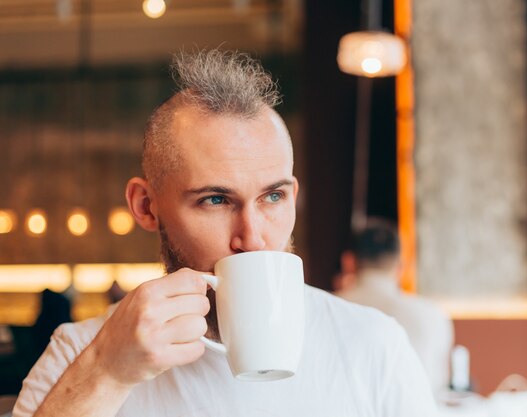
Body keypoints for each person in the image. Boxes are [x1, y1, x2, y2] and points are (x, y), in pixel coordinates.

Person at [13, 50, 437, 417]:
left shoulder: (373, 345)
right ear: (146, 206)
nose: (252, 239)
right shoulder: (80, 354)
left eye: (273, 197)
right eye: (215, 200)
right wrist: (106, 372)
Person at [336, 218, 454, 395]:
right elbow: (439, 387)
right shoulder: (432, 315)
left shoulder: (324, 310)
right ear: (400, 267)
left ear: (348, 261)